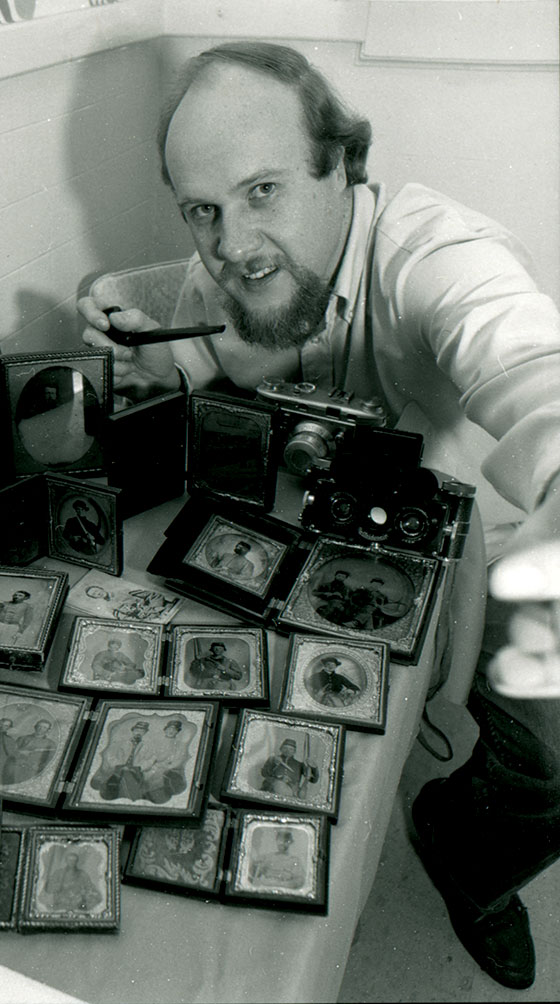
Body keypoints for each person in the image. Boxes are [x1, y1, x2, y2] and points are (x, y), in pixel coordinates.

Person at [77, 40, 560, 990]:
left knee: (554, 759)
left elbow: (529, 364)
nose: (234, 245)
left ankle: (469, 857)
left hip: (478, 561)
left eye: (264, 192)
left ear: (341, 163)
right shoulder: (227, 267)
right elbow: (169, 325)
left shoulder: (438, 260)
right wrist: (138, 353)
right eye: (203, 210)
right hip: (302, 555)